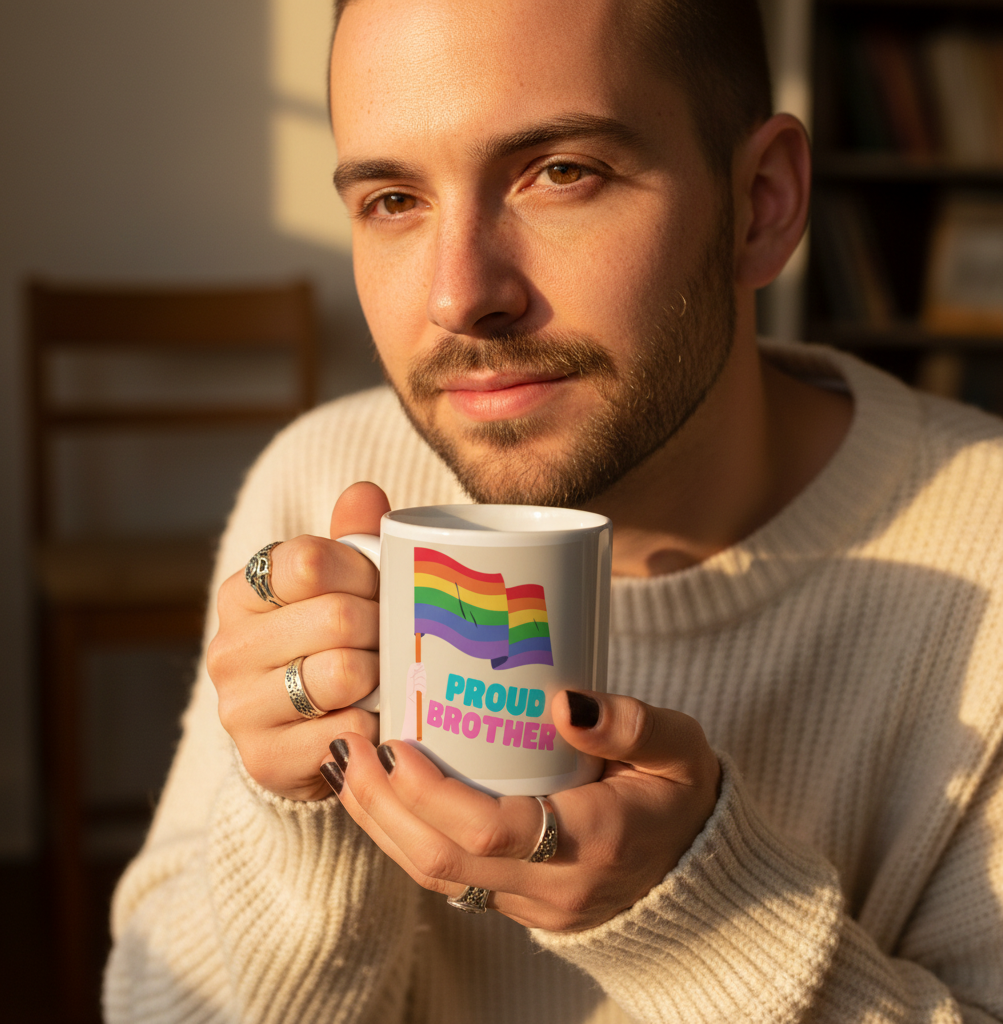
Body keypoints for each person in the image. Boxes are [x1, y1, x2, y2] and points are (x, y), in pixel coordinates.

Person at [104, 0, 1003, 1021]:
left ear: (760, 202)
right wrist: (302, 824)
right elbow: (150, 1003)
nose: (459, 296)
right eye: (394, 198)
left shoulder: (986, 552)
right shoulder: (326, 484)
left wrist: (704, 919)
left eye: (560, 172)